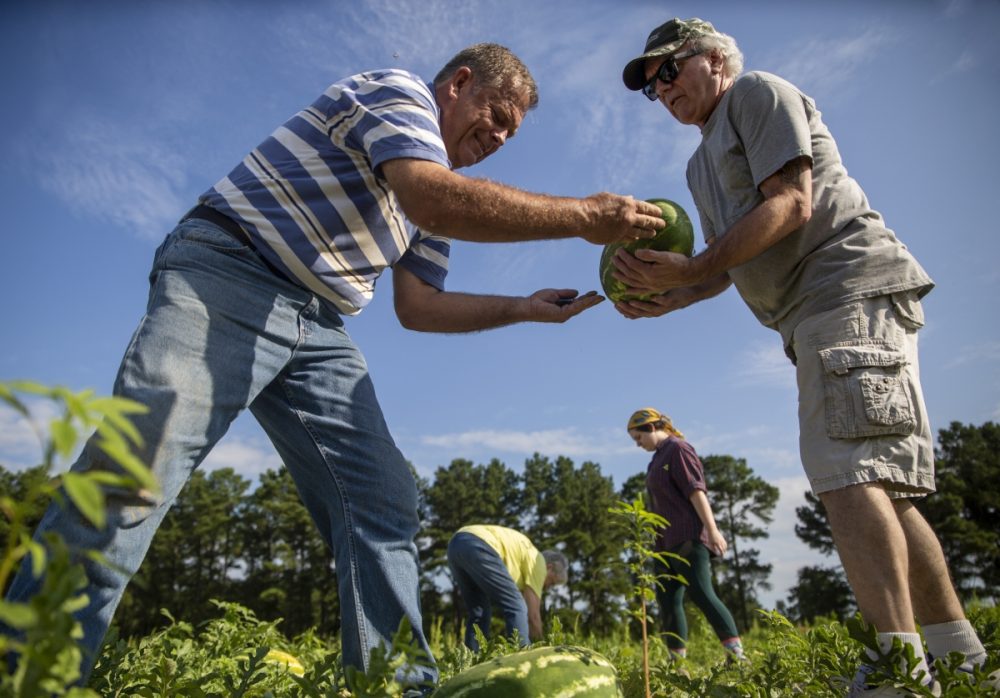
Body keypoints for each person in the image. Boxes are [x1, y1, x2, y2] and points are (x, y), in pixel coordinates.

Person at [3, 42, 666, 694]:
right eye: (496, 115)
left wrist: (523, 306)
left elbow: (420, 306)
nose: (498, 136)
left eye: (510, 134)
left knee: (383, 498)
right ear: (459, 83)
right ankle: (32, 675)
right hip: (229, 269)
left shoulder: (433, 198)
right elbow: (432, 198)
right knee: (137, 466)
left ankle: (394, 685)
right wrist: (584, 217)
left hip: (316, 324)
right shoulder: (401, 96)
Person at [617, 17, 992, 694]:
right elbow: (734, 260)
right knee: (883, 486)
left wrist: (692, 265)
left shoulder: (756, 95)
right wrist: (675, 294)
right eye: (650, 87)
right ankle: (961, 660)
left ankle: (899, 672)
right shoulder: (699, 163)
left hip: (844, 288)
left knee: (846, 475)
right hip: (808, 317)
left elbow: (791, 204)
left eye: (668, 70)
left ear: (714, 60)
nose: (661, 90)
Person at [626, 408, 745, 664]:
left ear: (651, 428)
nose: (638, 444)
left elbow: (696, 491)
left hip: (688, 536)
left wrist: (712, 530)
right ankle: (676, 662)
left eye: (639, 438)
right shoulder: (655, 459)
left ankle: (736, 655)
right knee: (667, 600)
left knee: (702, 593)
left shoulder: (678, 449)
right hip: (663, 544)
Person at [446, 524, 568, 652]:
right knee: (518, 606)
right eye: (552, 582)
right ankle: (522, 658)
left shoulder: (526, 557)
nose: (548, 587)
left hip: (456, 544)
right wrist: (543, 651)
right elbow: (533, 616)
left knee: (479, 613)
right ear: (549, 567)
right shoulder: (539, 563)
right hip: (479, 544)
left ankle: (471, 660)